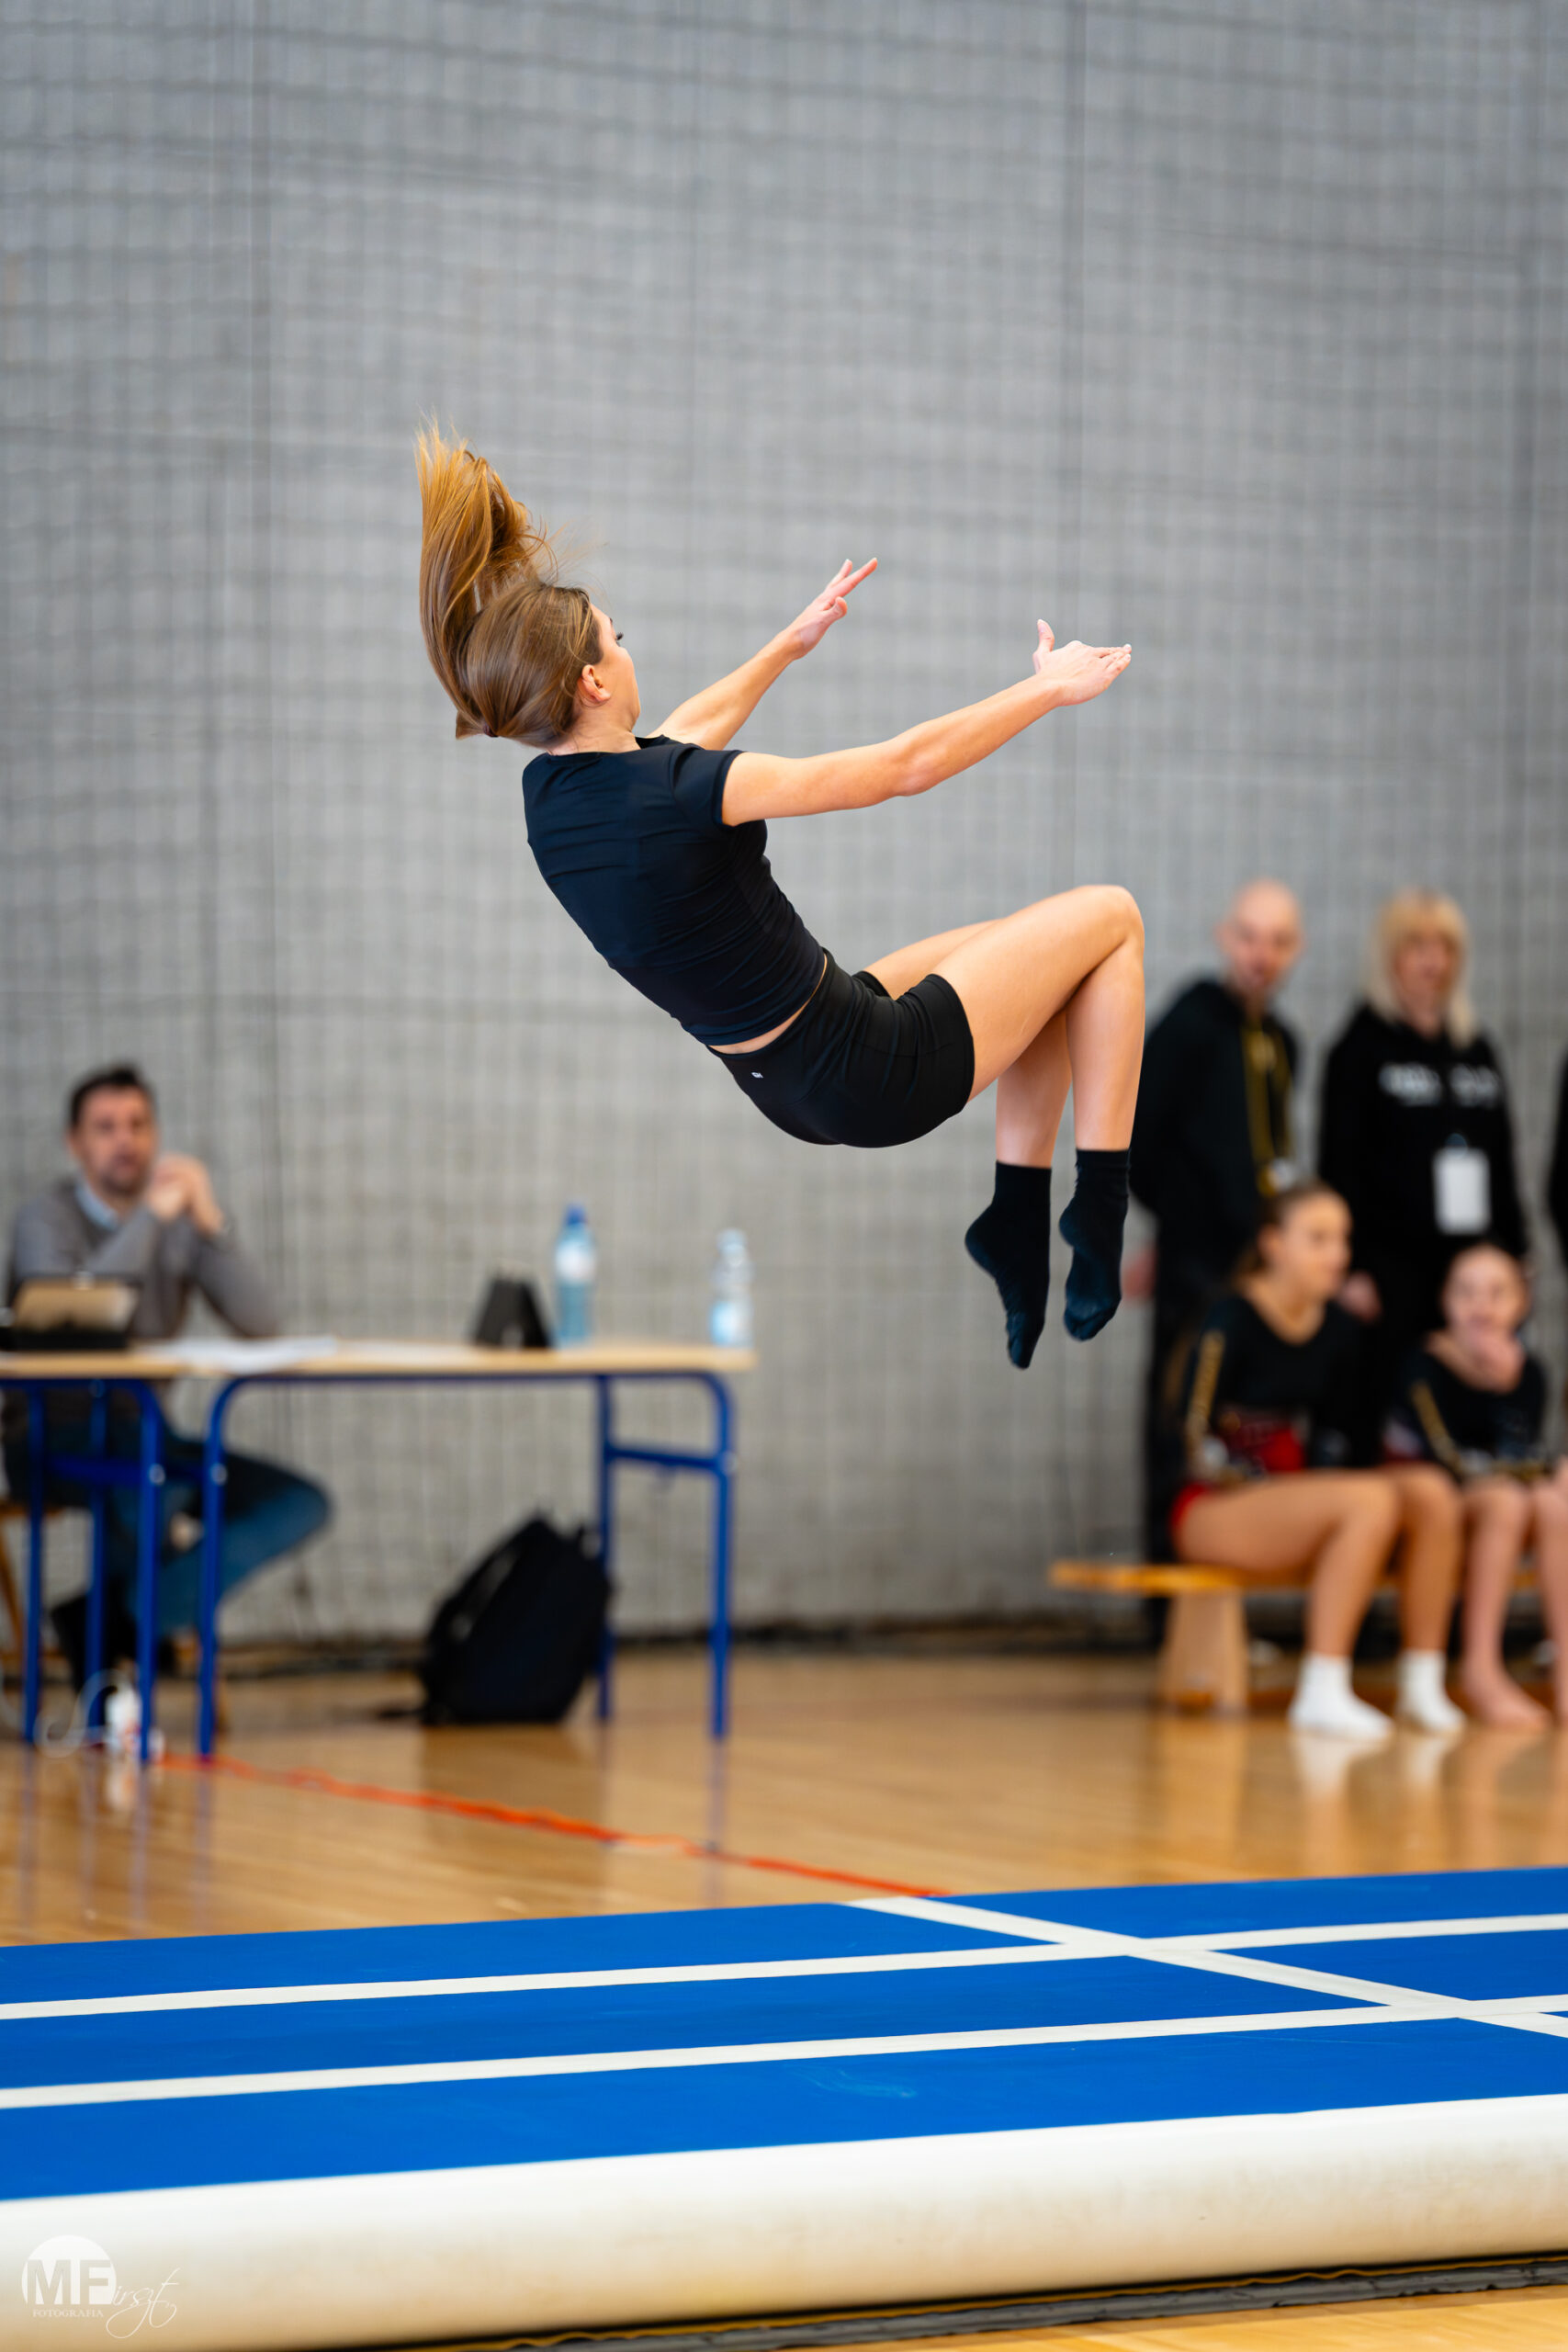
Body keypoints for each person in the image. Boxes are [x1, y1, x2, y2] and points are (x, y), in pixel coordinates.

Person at [415, 431, 1143, 1367]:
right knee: (1110, 919)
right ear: (593, 681)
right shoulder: (679, 794)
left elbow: (680, 737)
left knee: (1042, 956)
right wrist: (1044, 691)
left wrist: (789, 646)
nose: (630, 652)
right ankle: (1101, 1210)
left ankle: (1013, 1220)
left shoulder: (553, 800)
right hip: (869, 1064)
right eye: (617, 640)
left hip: (796, 1077)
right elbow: (902, 767)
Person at [2, 1064, 330, 1686]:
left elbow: (261, 1323)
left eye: (137, 1125)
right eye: (106, 1128)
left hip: (146, 1432)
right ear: (75, 1143)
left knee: (297, 1503)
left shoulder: (180, 1221)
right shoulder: (45, 1219)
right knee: (152, 1484)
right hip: (49, 1438)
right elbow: (81, 1311)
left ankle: (113, 1621)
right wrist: (150, 1218)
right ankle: (125, 1643)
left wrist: (212, 1223)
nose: (125, 1140)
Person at [1167, 1181, 1462, 1741]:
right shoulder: (1230, 1317)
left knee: (1430, 1492)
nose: (1338, 1255)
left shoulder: (1339, 1327)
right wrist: (1272, 1484)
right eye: (1319, 1239)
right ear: (1273, 1244)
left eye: (1343, 1239)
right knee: (1368, 1499)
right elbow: (1191, 1435)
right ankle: (1322, 1688)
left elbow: (1346, 1435)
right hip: (1215, 1504)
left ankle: (1422, 1681)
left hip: (1299, 1493)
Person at [1128, 878, 1303, 1549]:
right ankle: (1167, 1585)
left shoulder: (1282, 1041)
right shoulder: (1190, 1023)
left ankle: (1227, 1568)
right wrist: (1172, 1226)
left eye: (1278, 941)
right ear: (1224, 938)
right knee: (1179, 1410)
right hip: (1196, 1257)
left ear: (1295, 949)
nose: (1261, 954)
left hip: (1257, 1261)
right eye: (1249, 937)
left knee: (1240, 1414)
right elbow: (1139, 1135)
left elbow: (1271, 1155)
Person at [1319, 890, 1528, 1450]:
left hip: (1467, 1260)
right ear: (1390, 956)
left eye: (1445, 948)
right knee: (1393, 1401)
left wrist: (1516, 1252)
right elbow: (1339, 1163)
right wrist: (1352, 1265)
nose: (1433, 961)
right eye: (1418, 946)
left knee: (1469, 1400)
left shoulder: (1474, 1046)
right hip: (1390, 1265)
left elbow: (1502, 1157)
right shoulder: (1360, 1047)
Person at [1384, 1242, 1568, 1728]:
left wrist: (1507, 1388)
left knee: (1557, 1498)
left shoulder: (1529, 1372)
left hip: (1499, 1498)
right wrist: (1495, 1395)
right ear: (1444, 1300)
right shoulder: (1425, 1364)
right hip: (1433, 1503)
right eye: (1465, 1292)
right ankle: (1481, 1666)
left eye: (1496, 1293)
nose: (1480, 1306)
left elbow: (1524, 1450)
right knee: (1509, 1500)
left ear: (1521, 1303)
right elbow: (1448, 1458)